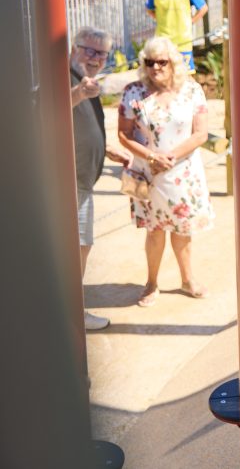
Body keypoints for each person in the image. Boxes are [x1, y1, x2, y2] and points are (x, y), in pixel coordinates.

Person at [117, 36, 214, 307]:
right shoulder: (133, 92)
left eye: (162, 62)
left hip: (183, 171)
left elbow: (201, 133)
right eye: (150, 62)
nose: (156, 67)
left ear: (174, 63)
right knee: (154, 230)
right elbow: (124, 135)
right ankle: (151, 283)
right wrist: (151, 156)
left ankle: (187, 279)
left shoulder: (192, 90)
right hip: (149, 173)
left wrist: (171, 155)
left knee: (183, 229)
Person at [70, 27, 131, 330]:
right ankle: (70, 314)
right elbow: (51, 109)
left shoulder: (89, 80)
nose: (95, 58)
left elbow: (78, 124)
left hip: (82, 178)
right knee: (73, 247)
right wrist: (80, 92)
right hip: (65, 181)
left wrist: (105, 148)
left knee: (81, 246)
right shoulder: (66, 77)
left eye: (101, 53)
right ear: (73, 47)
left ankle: (71, 310)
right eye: (88, 50)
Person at [145, 0, 208, 73]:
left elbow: (203, 8)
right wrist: (159, 19)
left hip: (183, 41)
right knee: (164, 73)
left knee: (185, 74)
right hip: (163, 41)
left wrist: (192, 21)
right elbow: (149, 9)